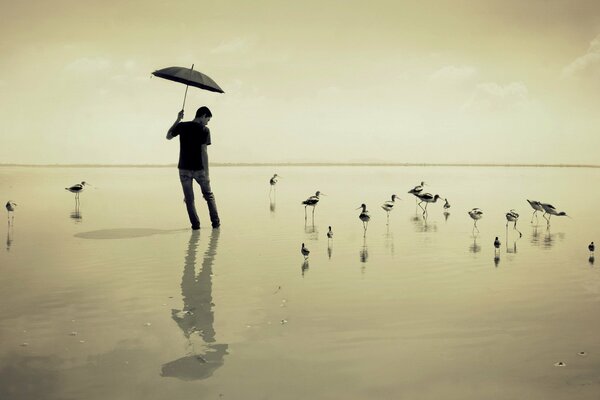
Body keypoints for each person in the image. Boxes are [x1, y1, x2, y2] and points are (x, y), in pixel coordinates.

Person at [167, 106, 220, 230]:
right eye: (208, 119)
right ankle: (216, 224)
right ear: (203, 116)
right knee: (209, 196)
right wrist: (207, 174)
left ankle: (195, 226)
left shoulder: (182, 126)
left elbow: (168, 136)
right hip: (199, 169)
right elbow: (204, 152)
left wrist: (177, 120)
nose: (207, 122)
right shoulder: (204, 130)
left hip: (183, 169)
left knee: (189, 200)